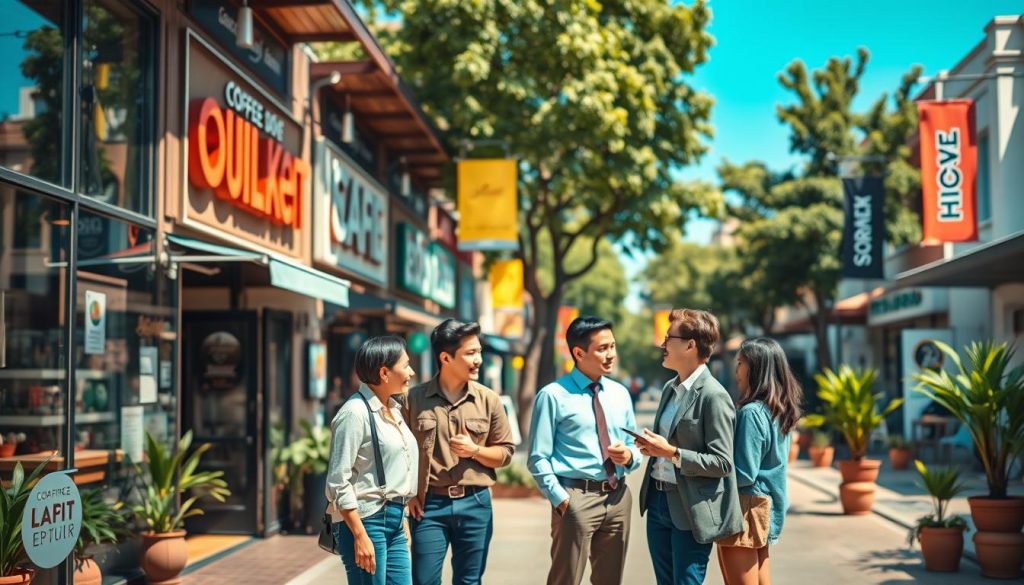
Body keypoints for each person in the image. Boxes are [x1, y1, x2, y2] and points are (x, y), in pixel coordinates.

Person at [528, 316, 641, 585]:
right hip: (576, 497)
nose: (611, 354)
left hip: (617, 498)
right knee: (565, 579)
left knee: (609, 580)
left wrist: (629, 457)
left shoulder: (620, 394)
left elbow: (635, 445)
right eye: (602, 348)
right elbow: (537, 457)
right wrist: (562, 500)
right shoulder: (553, 395)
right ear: (579, 353)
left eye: (612, 346)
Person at [402, 319, 515, 585]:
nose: (479, 359)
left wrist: (475, 450)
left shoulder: (489, 400)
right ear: (445, 357)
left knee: (469, 581)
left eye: (479, 352)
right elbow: (400, 452)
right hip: (428, 506)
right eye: (470, 353)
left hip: (475, 503)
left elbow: (506, 452)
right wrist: (409, 494)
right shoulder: (412, 400)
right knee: (424, 580)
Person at [636, 308, 743, 585]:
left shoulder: (714, 395)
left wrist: (671, 453)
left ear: (690, 345)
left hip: (691, 507)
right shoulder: (670, 389)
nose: (663, 344)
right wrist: (652, 447)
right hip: (658, 501)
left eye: (669, 338)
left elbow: (722, 462)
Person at [326, 336, 418, 585]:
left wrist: (404, 517)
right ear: (385, 372)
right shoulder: (354, 413)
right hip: (367, 521)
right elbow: (337, 480)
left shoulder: (394, 409)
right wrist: (359, 534)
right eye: (406, 365)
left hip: (395, 519)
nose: (411, 371)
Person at [716, 338, 802, 585]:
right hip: (765, 507)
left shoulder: (751, 412)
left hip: (745, 508)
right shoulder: (778, 410)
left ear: (756, 368)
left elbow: (744, 473)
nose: (736, 371)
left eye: (740, 363)